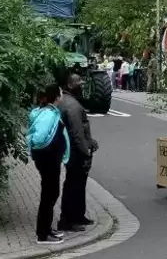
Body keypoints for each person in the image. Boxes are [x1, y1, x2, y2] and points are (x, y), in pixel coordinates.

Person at [27, 84, 70, 244]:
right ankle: (43, 235)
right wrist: (48, 151)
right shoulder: (48, 114)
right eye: (60, 92)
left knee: (51, 194)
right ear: (56, 97)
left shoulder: (49, 111)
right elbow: (38, 139)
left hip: (49, 161)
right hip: (49, 162)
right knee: (49, 195)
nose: (62, 94)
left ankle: (46, 229)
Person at [58, 74, 99, 232]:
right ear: (69, 85)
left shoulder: (68, 101)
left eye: (82, 81)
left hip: (72, 150)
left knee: (77, 185)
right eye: (78, 82)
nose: (81, 84)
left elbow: (80, 130)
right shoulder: (72, 105)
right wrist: (85, 151)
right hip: (75, 152)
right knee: (74, 186)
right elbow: (77, 133)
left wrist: (90, 141)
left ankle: (78, 215)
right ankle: (68, 220)